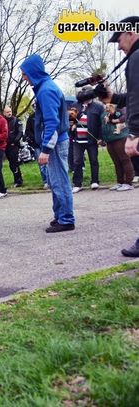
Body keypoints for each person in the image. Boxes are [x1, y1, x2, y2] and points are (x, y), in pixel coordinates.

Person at [20, 54, 75, 233]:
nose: (24, 77)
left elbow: (52, 123)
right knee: (56, 181)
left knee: (60, 182)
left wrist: (45, 150)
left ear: (33, 71)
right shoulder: (45, 88)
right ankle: (60, 216)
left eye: (25, 73)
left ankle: (66, 220)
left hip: (56, 144)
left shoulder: (46, 91)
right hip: (57, 143)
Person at [98, 16, 139, 256]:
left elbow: (137, 99)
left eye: (119, 38)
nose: (117, 44)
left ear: (132, 33)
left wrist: (134, 132)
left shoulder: (135, 57)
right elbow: (133, 95)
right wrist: (112, 98)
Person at [71, 88, 104, 193]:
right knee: (77, 161)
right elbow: (70, 119)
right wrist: (72, 126)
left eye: (87, 100)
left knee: (93, 160)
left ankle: (95, 181)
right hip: (77, 139)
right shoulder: (75, 105)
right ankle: (77, 183)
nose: (85, 102)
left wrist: (100, 138)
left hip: (92, 139)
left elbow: (101, 124)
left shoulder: (98, 107)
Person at [101, 104, 134, 191]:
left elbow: (124, 117)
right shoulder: (104, 112)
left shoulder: (119, 108)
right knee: (116, 161)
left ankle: (128, 182)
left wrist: (114, 120)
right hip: (109, 139)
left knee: (124, 159)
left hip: (120, 137)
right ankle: (120, 182)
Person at [24, 102, 48, 188]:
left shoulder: (45, 115)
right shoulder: (31, 118)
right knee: (41, 163)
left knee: (49, 162)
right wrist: (34, 139)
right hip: (37, 144)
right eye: (34, 107)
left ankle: (51, 180)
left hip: (46, 142)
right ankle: (45, 180)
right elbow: (27, 131)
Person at [3, 106, 24, 187]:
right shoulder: (3, 122)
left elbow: (20, 132)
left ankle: (18, 180)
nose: (9, 113)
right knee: (11, 164)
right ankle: (17, 178)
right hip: (6, 146)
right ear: (4, 113)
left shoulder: (16, 120)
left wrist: (15, 141)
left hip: (14, 145)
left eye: (10, 111)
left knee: (14, 163)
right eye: (7, 112)